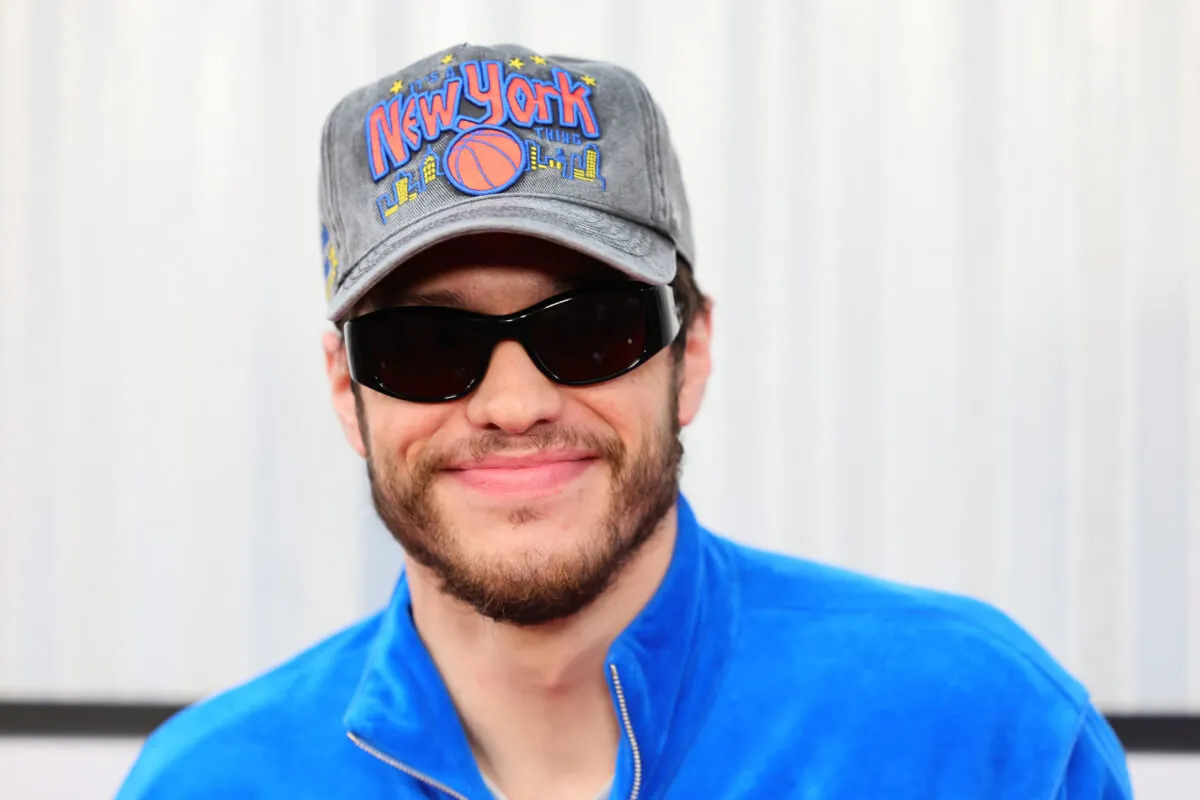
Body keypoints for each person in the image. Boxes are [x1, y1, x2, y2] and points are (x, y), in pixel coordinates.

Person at [118, 43, 1132, 799]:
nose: (515, 405)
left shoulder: (981, 734)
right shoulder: (208, 782)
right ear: (349, 392)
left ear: (692, 354)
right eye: (427, 344)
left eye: (591, 329)